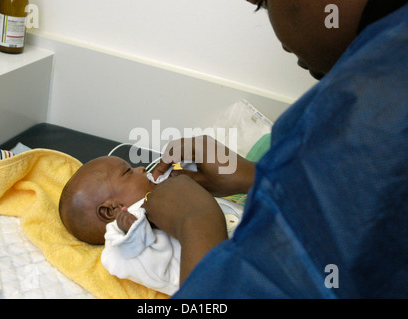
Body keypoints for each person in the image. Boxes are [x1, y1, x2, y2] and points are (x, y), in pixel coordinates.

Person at [142, 0, 408, 298]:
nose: (282, 44)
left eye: (264, 4)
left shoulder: (377, 111)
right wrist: (258, 177)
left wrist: (196, 223)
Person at [59, 155, 243, 294]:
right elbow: (132, 259)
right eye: (128, 172)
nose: (140, 168)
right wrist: (134, 231)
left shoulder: (163, 194)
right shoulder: (123, 234)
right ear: (110, 210)